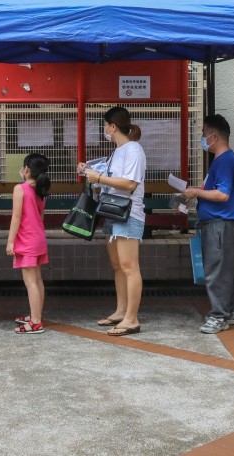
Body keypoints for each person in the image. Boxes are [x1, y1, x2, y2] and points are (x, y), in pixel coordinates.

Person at [80, 106, 146, 337]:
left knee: (130, 267)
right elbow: (111, 181)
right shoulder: (117, 151)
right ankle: (121, 311)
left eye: (105, 125)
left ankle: (132, 318)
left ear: (113, 126)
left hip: (128, 213)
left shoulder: (133, 150)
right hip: (112, 211)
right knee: (118, 265)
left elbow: (129, 184)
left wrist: (98, 177)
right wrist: (90, 173)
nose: (104, 130)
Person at [183, 114, 234, 334]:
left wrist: (196, 192)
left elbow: (223, 194)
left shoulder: (225, 160)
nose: (202, 138)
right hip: (218, 224)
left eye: (203, 134)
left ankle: (219, 316)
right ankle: (228, 310)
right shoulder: (223, 159)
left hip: (219, 224)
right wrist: (198, 192)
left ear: (214, 136)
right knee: (221, 269)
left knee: (216, 270)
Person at [6, 153, 50, 334]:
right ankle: (36, 315)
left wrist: (10, 241)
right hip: (38, 238)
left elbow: (16, 217)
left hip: (26, 240)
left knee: (30, 281)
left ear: (27, 170)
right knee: (38, 279)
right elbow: (40, 216)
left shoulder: (20, 189)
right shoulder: (41, 190)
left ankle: (36, 322)